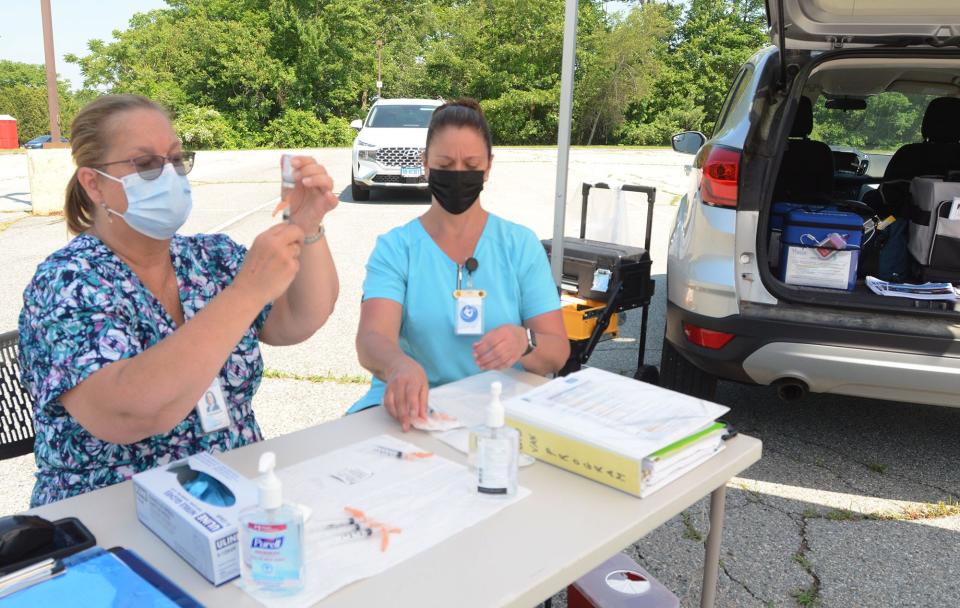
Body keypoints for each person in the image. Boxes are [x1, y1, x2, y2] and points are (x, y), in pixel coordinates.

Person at [18, 94, 339, 506]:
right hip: (112, 516)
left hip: (235, 494)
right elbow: (129, 412)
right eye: (146, 164)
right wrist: (246, 293)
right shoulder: (67, 282)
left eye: (175, 159)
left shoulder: (210, 257)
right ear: (94, 184)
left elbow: (299, 319)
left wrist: (306, 224)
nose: (168, 174)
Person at [352, 98, 570, 429]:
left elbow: (557, 350)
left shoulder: (520, 245)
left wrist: (525, 341)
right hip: (412, 407)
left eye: (470, 165)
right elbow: (371, 339)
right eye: (445, 163)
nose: (458, 175)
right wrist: (397, 365)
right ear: (425, 164)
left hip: (497, 410)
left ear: (488, 167)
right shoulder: (397, 248)